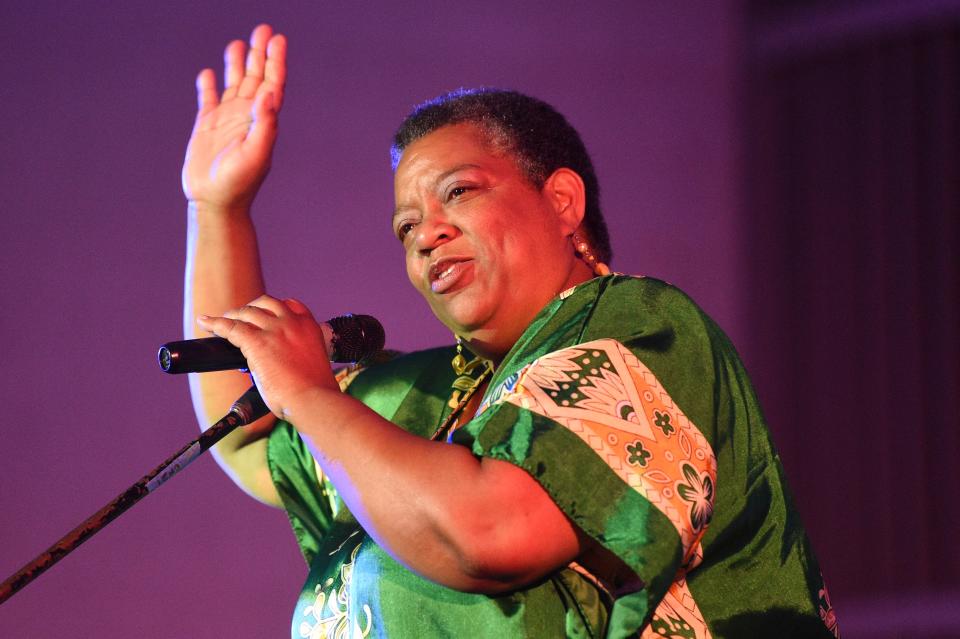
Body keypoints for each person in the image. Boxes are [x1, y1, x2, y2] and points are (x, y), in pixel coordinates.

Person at [181, 24, 839, 639]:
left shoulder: (641, 328)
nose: (426, 235)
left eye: (459, 192)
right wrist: (217, 208)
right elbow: (246, 438)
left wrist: (311, 394)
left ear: (561, 201)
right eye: (406, 228)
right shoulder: (427, 397)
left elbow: (491, 531)